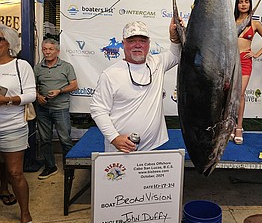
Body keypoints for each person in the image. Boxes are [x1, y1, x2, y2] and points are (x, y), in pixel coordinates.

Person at [90, 19, 182, 153]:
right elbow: (98, 109)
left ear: (149, 44)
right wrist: (114, 138)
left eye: (142, 41)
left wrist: (174, 38)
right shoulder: (110, 75)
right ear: (123, 44)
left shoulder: (157, 63)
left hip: (152, 147)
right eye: (132, 41)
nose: (137, 45)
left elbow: (176, 54)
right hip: (121, 150)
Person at [0, 24, 36, 223]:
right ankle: (3, 191)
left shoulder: (20, 66)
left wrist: (9, 100)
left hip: (12, 126)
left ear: (9, 43)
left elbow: (31, 95)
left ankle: (25, 214)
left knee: (15, 172)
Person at [33, 38, 78, 180]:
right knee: (45, 139)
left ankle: (69, 168)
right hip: (43, 109)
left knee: (65, 139)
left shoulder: (66, 66)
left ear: (57, 51)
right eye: (45, 49)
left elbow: (74, 85)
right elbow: (31, 87)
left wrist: (60, 90)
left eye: (50, 49)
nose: (47, 52)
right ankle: (50, 167)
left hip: (61, 109)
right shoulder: (37, 68)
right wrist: (37, 95)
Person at [233, 0, 262, 144]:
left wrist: (256, 54)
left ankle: (239, 127)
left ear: (250, 4)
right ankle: (229, 125)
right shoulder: (232, 21)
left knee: (240, 94)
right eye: (241, 2)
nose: (243, 4)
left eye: (246, 1)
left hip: (245, 61)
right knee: (228, 95)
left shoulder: (255, 24)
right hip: (231, 61)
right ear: (237, 5)